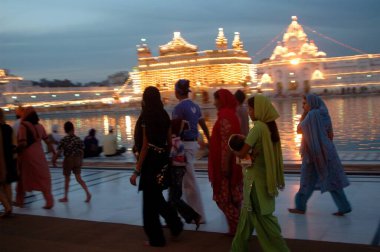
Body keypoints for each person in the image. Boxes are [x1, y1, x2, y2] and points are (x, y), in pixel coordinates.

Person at [231, 95, 289, 252]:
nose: (249, 112)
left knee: (264, 219)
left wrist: (232, 148)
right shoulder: (269, 128)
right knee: (248, 218)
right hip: (262, 180)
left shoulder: (257, 128)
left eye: (251, 109)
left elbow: (242, 153)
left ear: (260, 110)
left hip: (254, 183)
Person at [130, 86, 183, 247]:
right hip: (161, 160)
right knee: (156, 199)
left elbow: (145, 145)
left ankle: (157, 238)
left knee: (149, 204)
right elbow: (168, 141)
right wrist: (164, 158)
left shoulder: (146, 116)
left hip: (149, 163)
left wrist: (136, 170)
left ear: (145, 99)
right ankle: (175, 224)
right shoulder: (164, 115)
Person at [288, 94, 351, 216]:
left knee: (306, 180)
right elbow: (331, 135)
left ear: (312, 103)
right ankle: (344, 206)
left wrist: (303, 115)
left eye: (305, 103)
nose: (302, 105)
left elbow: (299, 129)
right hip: (327, 153)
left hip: (313, 154)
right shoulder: (324, 114)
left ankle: (300, 207)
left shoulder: (312, 115)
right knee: (332, 181)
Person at [172, 79, 210, 223]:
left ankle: (198, 215)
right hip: (193, 145)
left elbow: (175, 130)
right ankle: (185, 214)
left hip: (183, 146)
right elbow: (203, 126)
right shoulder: (195, 105)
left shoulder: (178, 108)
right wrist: (208, 140)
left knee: (189, 181)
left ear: (177, 92)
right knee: (183, 181)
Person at [208, 89, 243, 236]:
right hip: (232, 162)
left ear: (222, 100)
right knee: (231, 197)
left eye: (216, 99)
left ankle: (242, 225)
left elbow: (228, 144)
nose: (214, 103)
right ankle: (235, 229)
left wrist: (224, 165)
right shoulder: (231, 115)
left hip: (225, 164)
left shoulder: (225, 117)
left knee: (223, 199)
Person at [15, 107, 55, 209]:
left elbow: (23, 143)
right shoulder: (40, 126)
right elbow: (48, 142)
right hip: (40, 155)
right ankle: (49, 201)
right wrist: (54, 154)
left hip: (27, 156)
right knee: (43, 177)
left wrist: (14, 150)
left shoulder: (23, 126)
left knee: (23, 177)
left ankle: (20, 201)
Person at [169, 118, 201, 230]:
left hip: (176, 171)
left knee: (174, 197)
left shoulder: (174, 142)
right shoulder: (178, 140)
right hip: (179, 170)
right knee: (172, 197)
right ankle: (172, 221)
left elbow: (171, 157)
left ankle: (193, 215)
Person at [53, 121, 91, 203]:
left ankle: (65, 197)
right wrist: (81, 160)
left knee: (67, 179)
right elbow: (82, 151)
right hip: (77, 159)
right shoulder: (78, 139)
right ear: (73, 129)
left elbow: (59, 152)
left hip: (68, 160)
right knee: (79, 178)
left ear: (65, 130)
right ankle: (87, 193)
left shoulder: (64, 140)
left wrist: (54, 160)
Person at [0, 108, 18, 217]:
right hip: (9, 160)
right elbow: (14, 146)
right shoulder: (9, 128)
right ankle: (9, 208)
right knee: (7, 185)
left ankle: (7, 206)